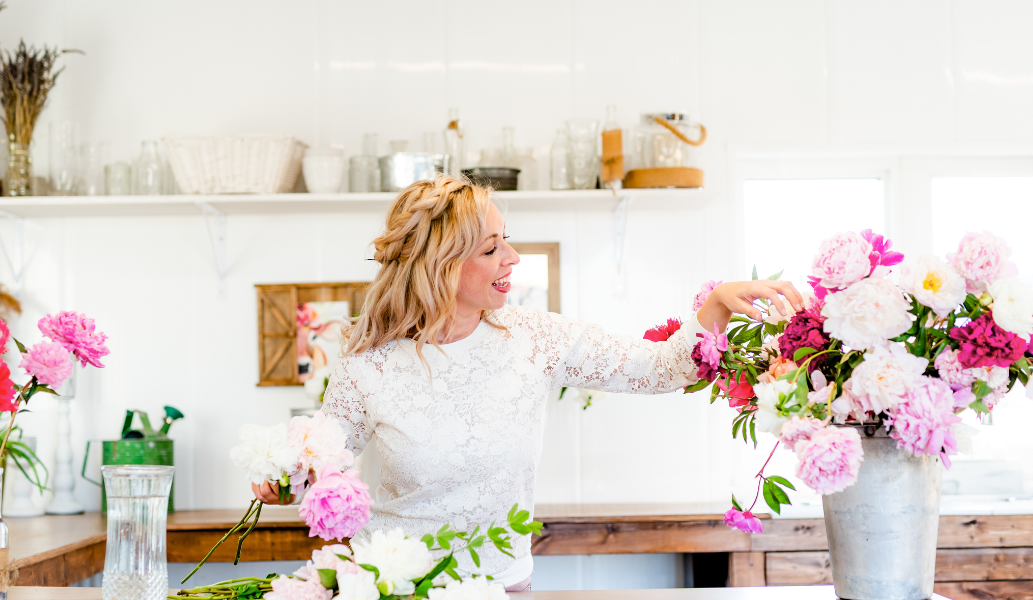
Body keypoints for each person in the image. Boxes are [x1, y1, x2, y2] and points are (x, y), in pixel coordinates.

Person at [252, 176, 803, 591]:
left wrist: (713, 307)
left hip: (504, 584)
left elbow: (658, 368)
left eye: (506, 241)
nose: (511, 258)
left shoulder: (534, 336)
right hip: (396, 585)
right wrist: (285, 481)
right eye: (491, 248)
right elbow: (325, 464)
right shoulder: (365, 361)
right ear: (438, 265)